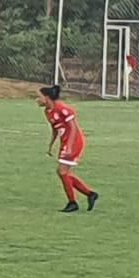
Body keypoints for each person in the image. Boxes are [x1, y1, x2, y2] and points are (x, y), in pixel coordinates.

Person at [39, 84, 99, 213]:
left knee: (62, 172)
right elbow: (55, 129)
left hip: (74, 142)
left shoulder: (62, 108)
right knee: (63, 173)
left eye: (39, 97)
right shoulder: (47, 112)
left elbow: (73, 128)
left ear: (47, 97)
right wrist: (51, 145)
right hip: (65, 142)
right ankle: (89, 194)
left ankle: (73, 202)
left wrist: (70, 146)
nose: (37, 100)